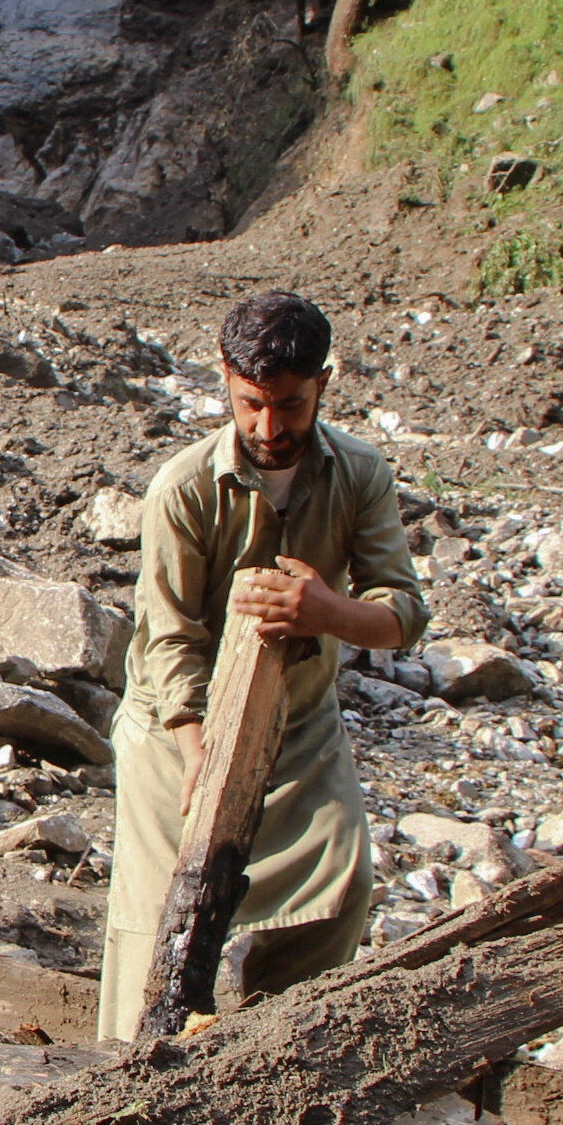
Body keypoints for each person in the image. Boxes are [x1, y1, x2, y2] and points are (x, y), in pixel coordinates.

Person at [96, 290, 429, 1040]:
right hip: (172, 732)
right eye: (251, 405)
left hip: (299, 725)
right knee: (159, 921)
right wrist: (199, 763)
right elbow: (168, 639)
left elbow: (403, 614)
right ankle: (122, 1078)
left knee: (341, 888)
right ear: (224, 380)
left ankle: (279, 1051)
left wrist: (325, 613)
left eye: (290, 405)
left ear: (323, 386)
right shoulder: (183, 489)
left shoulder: (361, 475)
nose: (269, 428)